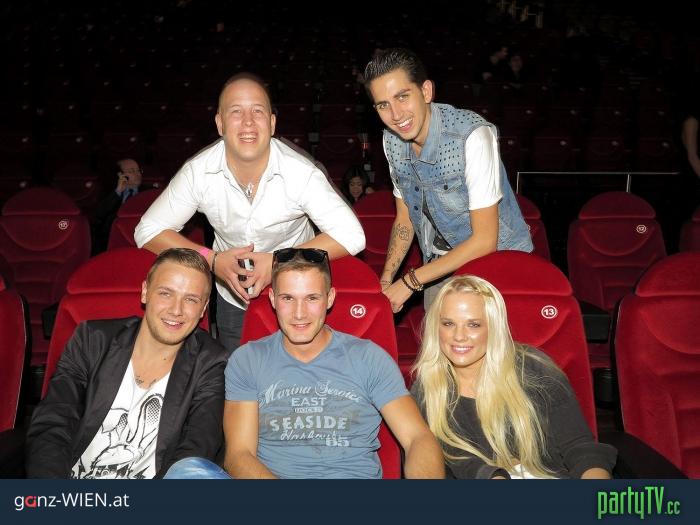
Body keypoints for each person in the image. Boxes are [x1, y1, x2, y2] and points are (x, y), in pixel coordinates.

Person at [164, 247, 445, 479]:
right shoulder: (248, 360)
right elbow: (239, 455)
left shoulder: (369, 357)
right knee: (185, 473)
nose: (299, 314)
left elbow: (418, 438)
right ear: (273, 299)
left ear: (329, 299)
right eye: (288, 298)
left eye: (312, 298)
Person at [134, 73, 365, 352]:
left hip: (295, 294)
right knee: (238, 373)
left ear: (272, 123)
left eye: (257, 111)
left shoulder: (301, 172)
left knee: (295, 372)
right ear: (220, 124)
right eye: (236, 111)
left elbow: (352, 236)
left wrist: (278, 261)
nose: (247, 122)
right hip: (234, 297)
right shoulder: (198, 172)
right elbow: (147, 230)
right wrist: (212, 260)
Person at [25, 248, 229, 479]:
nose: (176, 310)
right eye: (165, 293)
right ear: (145, 292)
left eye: (191, 299)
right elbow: (53, 422)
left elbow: (197, 448)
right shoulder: (92, 340)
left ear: (203, 308)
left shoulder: (211, 362)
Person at [363, 48, 533, 313]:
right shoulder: (391, 140)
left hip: (499, 262)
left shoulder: (471, 136)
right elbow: (405, 220)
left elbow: (485, 241)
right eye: (383, 105)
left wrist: (410, 281)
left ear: (426, 91)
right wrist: (386, 279)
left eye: (402, 97)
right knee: (437, 340)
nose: (395, 115)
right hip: (440, 264)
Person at [411, 275, 617, 479]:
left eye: (473, 324)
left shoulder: (534, 368)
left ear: (494, 327)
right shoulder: (428, 390)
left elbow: (581, 448)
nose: (459, 336)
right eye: (448, 323)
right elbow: (460, 463)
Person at [92, 158, 144, 254]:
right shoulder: (109, 192)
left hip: (141, 238)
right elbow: (99, 214)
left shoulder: (149, 191)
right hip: (114, 239)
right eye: (131, 171)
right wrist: (118, 191)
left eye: (138, 170)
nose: (137, 174)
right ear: (120, 175)